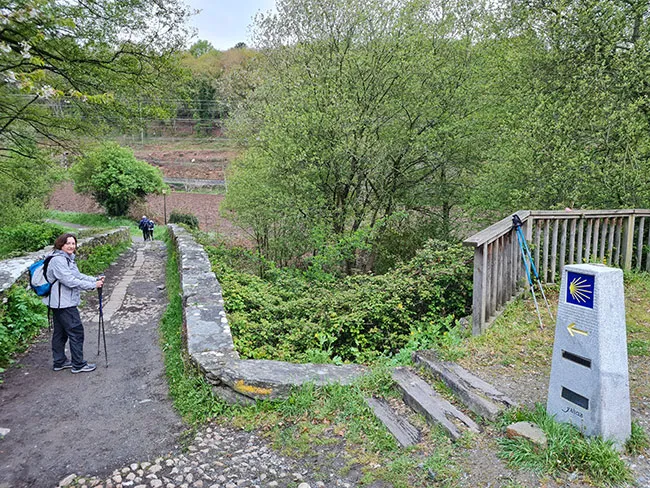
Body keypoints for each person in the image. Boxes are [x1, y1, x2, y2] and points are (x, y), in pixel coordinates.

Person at [44, 233, 105, 373]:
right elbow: (69, 281)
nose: (72, 246)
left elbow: (77, 276)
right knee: (76, 331)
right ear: (61, 245)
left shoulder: (68, 259)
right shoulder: (58, 260)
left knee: (61, 333)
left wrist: (94, 279)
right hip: (64, 304)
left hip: (60, 303)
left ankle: (59, 362)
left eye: (73, 243)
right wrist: (92, 285)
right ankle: (78, 364)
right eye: (68, 243)